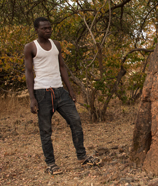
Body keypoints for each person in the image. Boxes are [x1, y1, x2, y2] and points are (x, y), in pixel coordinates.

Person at [24, 17, 101, 175]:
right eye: (44, 28)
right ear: (37, 30)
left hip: (60, 90)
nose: (48, 30)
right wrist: (32, 98)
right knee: (45, 130)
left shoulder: (56, 44)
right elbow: (29, 72)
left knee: (76, 121)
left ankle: (82, 156)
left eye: (49, 28)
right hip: (42, 92)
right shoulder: (30, 47)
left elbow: (62, 66)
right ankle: (51, 164)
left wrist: (70, 89)